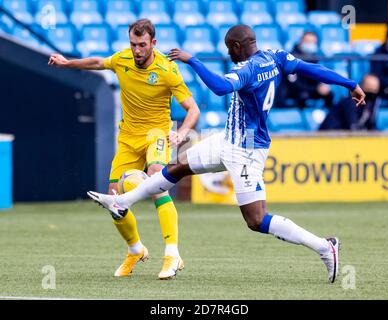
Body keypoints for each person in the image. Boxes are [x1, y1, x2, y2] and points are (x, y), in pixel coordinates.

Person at [87, 24, 366, 283]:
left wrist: (192, 60)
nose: (227, 53)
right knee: (176, 168)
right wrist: (350, 83)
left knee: (256, 220)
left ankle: (324, 246)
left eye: (228, 48)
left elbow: (220, 87)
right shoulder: (276, 56)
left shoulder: (247, 70)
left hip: (246, 150)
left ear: (236, 46)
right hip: (227, 140)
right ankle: (122, 202)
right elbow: (311, 69)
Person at [49, 19, 200, 279]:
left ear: (153, 43)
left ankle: (172, 254)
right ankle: (135, 250)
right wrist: (67, 62)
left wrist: (183, 132)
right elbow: (98, 62)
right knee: (113, 199)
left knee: (156, 179)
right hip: (128, 137)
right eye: (133, 44)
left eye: (142, 45)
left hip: (157, 134)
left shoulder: (167, 70)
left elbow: (193, 109)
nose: (137, 50)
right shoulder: (123, 59)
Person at [279, 31, 334, 109]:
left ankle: (327, 116)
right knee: (303, 95)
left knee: (329, 94)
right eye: (308, 42)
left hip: (310, 89)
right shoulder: (291, 58)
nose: (310, 45)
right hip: (294, 91)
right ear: (301, 41)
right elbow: (293, 83)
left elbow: (315, 77)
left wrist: (321, 86)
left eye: (313, 42)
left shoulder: (313, 58)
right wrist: (315, 89)